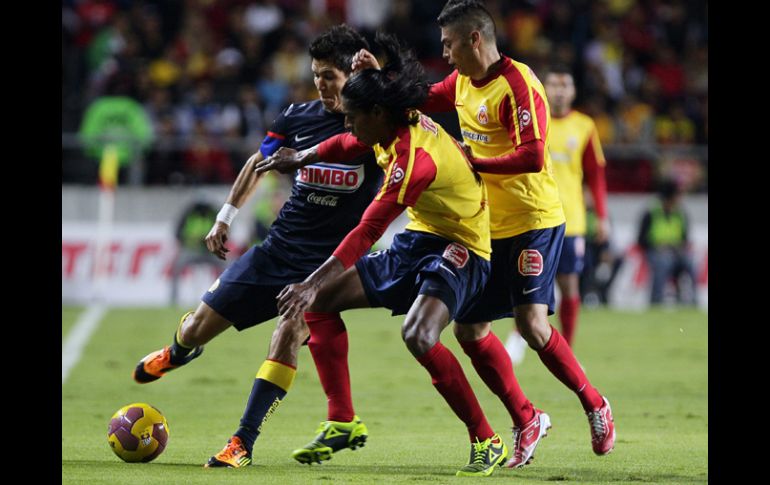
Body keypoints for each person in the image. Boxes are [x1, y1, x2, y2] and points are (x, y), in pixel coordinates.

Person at [349, 0, 615, 459]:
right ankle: (527, 418)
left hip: (533, 220)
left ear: (476, 39)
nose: (446, 54)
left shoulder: (519, 83)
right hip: (487, 224)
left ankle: (595, 403)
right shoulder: (462, 83)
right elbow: (420, 97)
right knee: (469, 330)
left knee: (532, 325)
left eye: (450, 44)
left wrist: (475, 162)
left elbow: (533, 155)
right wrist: (382, 77)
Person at [131, 25, 383, 468]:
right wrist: (225, 216)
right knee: (194, 329)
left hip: (327, 266)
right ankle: (178, 352)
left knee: (288, 332)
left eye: (329, 76)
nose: (321, 84)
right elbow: (258, 162)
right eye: (316, 75)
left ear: (350, 75)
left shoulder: (374, 126)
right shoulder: (295, 117)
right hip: (277, 249)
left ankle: (242, 443)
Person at [259, 33, 509, 477]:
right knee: (319, 304)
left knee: (418, 334)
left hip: (464, 246)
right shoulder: (384, 122)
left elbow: (368, 230)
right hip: (423, 236)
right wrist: (302, 157)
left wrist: (309, 280)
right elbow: (344, 144)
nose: (348, 125)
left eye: (353, 118)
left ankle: (486, 440)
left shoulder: (414, 161)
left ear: (376, 113)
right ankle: (342, 420)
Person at [504, 65, 610, 361]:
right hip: (533, 213)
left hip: (571, 218)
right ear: (544, 88)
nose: (560, 90)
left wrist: (602, 216)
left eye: (565, 85)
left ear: (573, 91)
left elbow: (595, 175)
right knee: (526, 277)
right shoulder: (533, 120)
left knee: (568, 283)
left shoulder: (585, 126)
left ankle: (568, 348)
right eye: (554, 84)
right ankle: (518, 335)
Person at [637, 179, 697, 305]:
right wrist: (658, 246)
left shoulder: (681, 213)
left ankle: (692, 301)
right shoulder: (651, 213)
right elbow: (641, 240)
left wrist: (680, 246)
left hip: (676, 251)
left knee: (690, 263)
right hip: (655, 251)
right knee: (663, 263)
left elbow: (685, 238)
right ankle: (656, 300)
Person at [169, 195, 227, 306]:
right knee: (176, 267)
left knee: (228, 268)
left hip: (210, 251)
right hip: (191, 250)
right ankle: (174, 299)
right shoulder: (189, 216)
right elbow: (178, 234)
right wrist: (189, 242)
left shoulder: (213, 216)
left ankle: (224, 298)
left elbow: (224, 234)